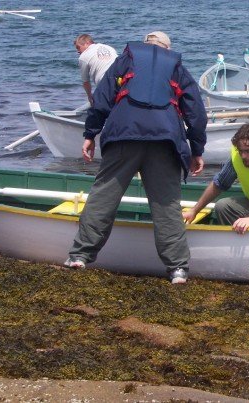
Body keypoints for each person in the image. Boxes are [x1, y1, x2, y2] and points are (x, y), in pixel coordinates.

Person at [64, 31, 208, 285]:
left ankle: (80, 255)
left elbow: (103, 97)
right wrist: (197, 149)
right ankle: (178, 269)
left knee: (103, 196)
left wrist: (90, 133)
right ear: (167, 48)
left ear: (145, 45)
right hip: (164, 141)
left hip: (124, 136)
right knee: (167, 206)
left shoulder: (125, 60)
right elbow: (195, 111)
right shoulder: (177, 67)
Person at [74, 34, 118, 106]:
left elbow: (86, 82)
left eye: (78, 47)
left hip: (105, 82)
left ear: (87, 43)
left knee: (101, 107)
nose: (78, 51)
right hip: (121, 76)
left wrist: (89, 97)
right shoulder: (109, 48)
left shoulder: (83, 57)